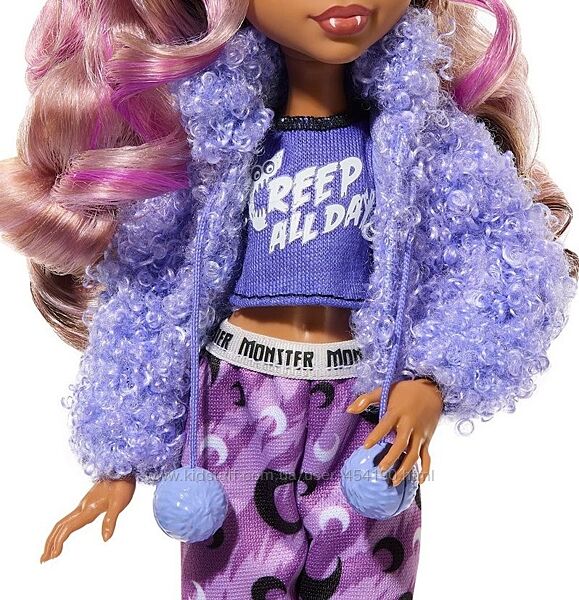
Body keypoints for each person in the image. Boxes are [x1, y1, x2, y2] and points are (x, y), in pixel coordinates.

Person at [1, 1, 575, 599]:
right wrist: (121, 448)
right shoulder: (208, 137)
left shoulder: (427, 139)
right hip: (237, 404)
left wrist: (436, 378)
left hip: (364, 405)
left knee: (371, 581)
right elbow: (153, 288)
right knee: (234, 580)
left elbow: (508, 261)